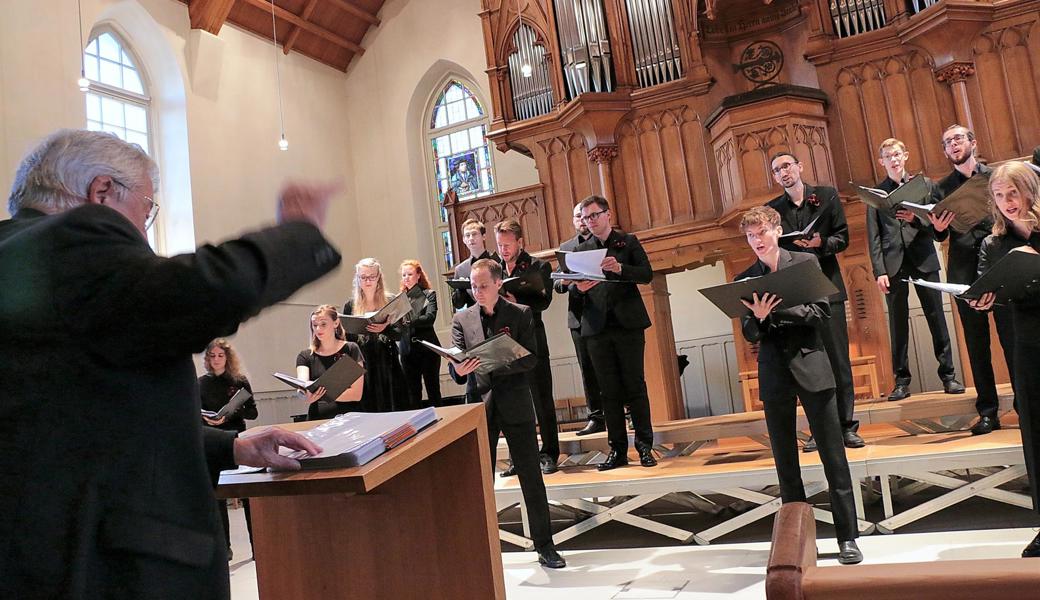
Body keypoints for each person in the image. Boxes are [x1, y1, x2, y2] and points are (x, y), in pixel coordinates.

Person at [0, 129, 334, 599]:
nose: (145, 227)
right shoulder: (77, 236)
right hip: (113, 570)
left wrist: (232, 447)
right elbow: (204, 290)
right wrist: (299, 234)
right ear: (100, 193)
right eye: (146, 207)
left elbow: (86, 420)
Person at [736, 206, 862, 565]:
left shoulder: (804, 263)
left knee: (832, 457)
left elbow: (820, 313)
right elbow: (749, 331)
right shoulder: (748, 276)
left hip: (811, 364)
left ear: (776, 230)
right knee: (785, 463)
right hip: (774, 370)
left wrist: (773, 312)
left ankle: (847, 538)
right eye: (749, 236)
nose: (756, 241)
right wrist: (759, 320)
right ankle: (799, 542)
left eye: (761, 233)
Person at [448, 258, 565, 569]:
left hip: (515, 403)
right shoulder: (462, 320)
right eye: (473, 286)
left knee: (530, 476)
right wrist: (459, 368)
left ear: (499, 283)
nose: (478, 291)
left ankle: (545, 546)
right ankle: (478, 546)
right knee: (478, 479)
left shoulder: (521, 313)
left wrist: (493, 361)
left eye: (484, 286)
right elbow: (457, 367)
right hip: (480, 407)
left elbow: (531, 360)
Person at [767, 152, 862, 452]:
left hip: (828, 288)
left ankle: (847, 427)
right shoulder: (773, 210)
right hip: (797, 294)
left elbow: (842, 238)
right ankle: (818, 429)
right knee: (809, 366)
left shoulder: (826, 195)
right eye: (777, 170)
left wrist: (822, 244)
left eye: (787, 166)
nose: (783, 173)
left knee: (838, 361)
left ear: (799, 167)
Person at [971, 161, 1039, 557]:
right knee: (1034, 431)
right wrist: (981, 301)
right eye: (999, 195)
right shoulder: (993, 245)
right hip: (1028, 342)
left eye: (1012, 192)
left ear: (1029, 189)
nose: (1006, 202)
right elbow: (987, 288)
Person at [931, 125, 1015, 434]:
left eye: (957, 139)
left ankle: (1024, 405)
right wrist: (938, 227)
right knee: (976, 345)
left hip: (1000, 262)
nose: (952, 145)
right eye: (947, 142)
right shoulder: (940, 188)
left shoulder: (995, 177)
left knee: (1012, 339)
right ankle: (988, 411)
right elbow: (938, 233)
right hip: (964, 268)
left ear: (972, 143)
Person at [866, 138, 963, 404]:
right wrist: (879, 271)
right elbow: (873, 237)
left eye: (897, 154)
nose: (894, 159)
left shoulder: (925, 185)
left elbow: (936, 229)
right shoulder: (875, 194)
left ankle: (948, 376)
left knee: (936, 318)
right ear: (881, 161)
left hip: (923, 259)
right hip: (893, 264)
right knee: (897, 323)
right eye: (888, 156)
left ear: (905, 155)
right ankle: (901, 382)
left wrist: (916, 219)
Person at [571, 195, 656, 471]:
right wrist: (577, 287)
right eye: (585, 218)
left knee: (635, 386)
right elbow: (569, 283)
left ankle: (644, 447)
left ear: (608, 214)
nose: (590, 221)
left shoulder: (627, 242)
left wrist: (620, 268)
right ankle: (617, 450)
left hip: (627, 324)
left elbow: (646, 274)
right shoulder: (581, 249)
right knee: (608, 392)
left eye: (594, 215)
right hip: (596, 327)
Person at [495, 218, 559, 474]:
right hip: (504, 342)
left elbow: (544, 303)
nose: (503, 250)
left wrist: (516, 300)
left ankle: (549, 454)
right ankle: (519, 457)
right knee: (511, 401)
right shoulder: (493, 269)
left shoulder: (538, 266)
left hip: (532, 339)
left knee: (541, 399)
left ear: (520, 242)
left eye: (508, 245)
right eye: (500, 245)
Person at [199, 338, 259, 560]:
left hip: (237, 439)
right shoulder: (200, 384)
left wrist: (232, 412)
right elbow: (195, 414)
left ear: (227, 357)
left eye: (220, 355)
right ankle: (225, 548)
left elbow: (253, 413)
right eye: (212, 356)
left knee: (247, 495)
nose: (216, 360)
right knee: (218, 497)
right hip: (214, 442)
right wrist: (209, 420)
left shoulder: (239, 381)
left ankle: (257, 546)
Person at [556, 203, 603, 436]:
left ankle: (626, 412)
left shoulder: (600, 243)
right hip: (578, 315)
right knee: (587, 368)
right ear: (574, 220)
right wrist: (565, 282)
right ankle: (595, 415)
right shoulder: (566, 247)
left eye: (585, 217)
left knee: (609, 365)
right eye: (577, 217)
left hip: (603, 313)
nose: (582, 221)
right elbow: (556, 284)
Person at [343, 258, 411, 412]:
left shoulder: (390, 300)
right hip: (364, 364)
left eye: (372, 276)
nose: (367, 281)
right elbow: (348, 340)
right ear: (357, 278)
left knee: (394, 408)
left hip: (388, 362)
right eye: (363, 277)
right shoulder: (351, 305)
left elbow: (401, 335)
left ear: (379, 277)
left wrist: (385, 328)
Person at [297, 305, 365, 420]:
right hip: (317, 419)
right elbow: (302, 385)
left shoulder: (351, 349)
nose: (318, 329)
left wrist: (321, 394)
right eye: (315, 325)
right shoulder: (305, 356)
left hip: (348, 419)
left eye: (323, 324)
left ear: (336, 323)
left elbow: (356, 394)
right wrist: (304, 395)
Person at [398, 259, 442, 408]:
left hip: (427, 349)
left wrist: (409, 321)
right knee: (412, 393)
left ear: (418, 275)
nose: (406, 278)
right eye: (404, 275)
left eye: (410, 274)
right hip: (407, 351)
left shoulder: (429, 294)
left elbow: (430, 318)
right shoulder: (400, 299)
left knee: (433, 391)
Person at [451, 218, 496, 311]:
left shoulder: (497, 261)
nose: (471, 238)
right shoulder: (461, 269)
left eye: (474, 234)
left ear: (484, 236)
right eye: (467, 235)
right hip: (475, 317)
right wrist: (461, 287)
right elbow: (458, 304)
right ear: (464, 240)